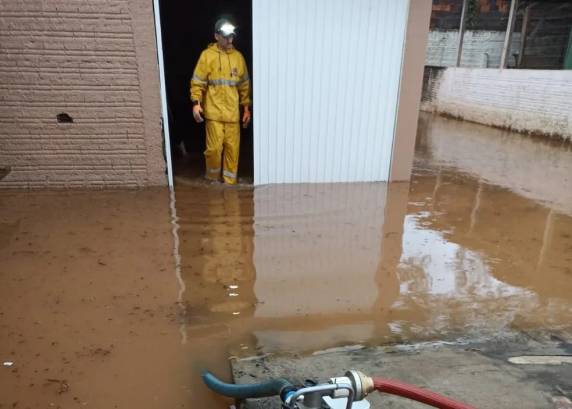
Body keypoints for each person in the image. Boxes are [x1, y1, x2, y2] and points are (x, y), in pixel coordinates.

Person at [190, 18, 251, 185]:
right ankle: (212, 182)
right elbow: (198, 82)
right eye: (225, 36)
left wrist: (246, 109)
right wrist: (196, 103)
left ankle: (230, 186)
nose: (230, 40)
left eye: (231, 36)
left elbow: (244, 86)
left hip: (232, 115)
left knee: (233, 152)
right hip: (214, 114)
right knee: (214, 151)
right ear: (216, 36)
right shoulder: (207, 56)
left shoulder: (238, 58)